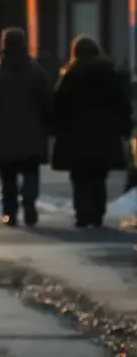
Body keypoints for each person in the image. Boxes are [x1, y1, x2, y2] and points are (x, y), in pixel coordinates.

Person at [51, 36, 133, 228]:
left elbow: (58, 105)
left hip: (76, 133)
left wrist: (55, 129)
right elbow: (122, 105)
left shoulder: (71, 75)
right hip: (105, 134)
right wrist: (124, 128)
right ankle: (98, 213)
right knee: (99, 175)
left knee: (80, 176)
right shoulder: (110, 74)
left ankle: (83, 213)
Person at [0, 27, 53, 227]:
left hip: (2, 134)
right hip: (32, 132)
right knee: (30, 171)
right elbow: (47, 102)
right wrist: (47, 125)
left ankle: (10, 213)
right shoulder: (36, 72)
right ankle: (29, 201)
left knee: (7, 175)